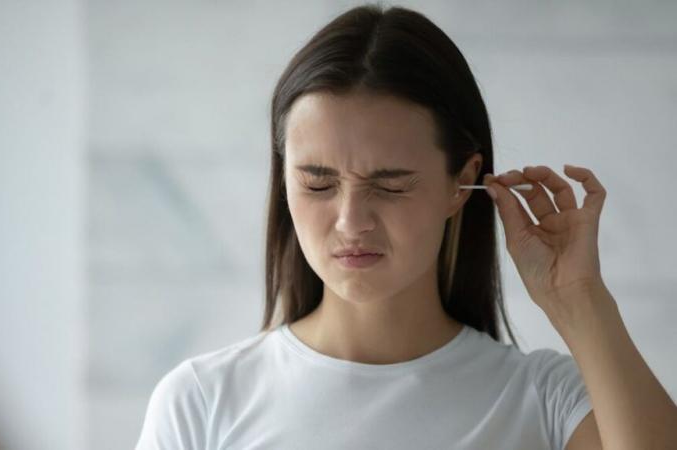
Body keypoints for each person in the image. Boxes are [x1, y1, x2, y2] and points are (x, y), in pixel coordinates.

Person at [135, 4, 676, 450]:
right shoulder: (201, 402)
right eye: (318, 184)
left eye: (390, 185)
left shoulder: (548, 401)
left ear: (460, 181)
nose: (351, 220)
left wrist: (578, 298)